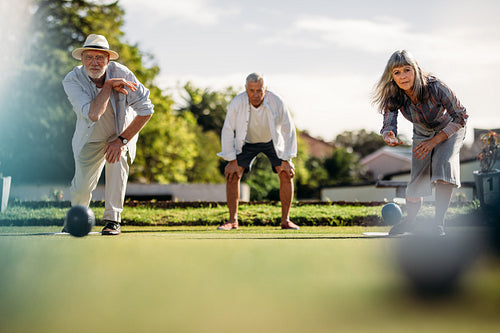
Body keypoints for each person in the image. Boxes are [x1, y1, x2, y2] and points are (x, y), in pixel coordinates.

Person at [62, 34, 154, 235]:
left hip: (119, 135)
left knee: (117, 161)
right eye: (89, 57)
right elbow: (94, 114)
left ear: (108, 60)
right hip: (90, 137)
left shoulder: (125, 74)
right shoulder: (72, 80)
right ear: (82, 59)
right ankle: (75, 218)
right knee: (81, 188)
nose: (94, 62)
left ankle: (113, 220)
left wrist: (121, 140)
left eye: (100, 57)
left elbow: (147, 110)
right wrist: (108, 85)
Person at [372, 50, 468, 237]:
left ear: (415, 70)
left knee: (443, 167)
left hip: (450, 128)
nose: (403, 76)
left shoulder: (436, 87)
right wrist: (389, 135)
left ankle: (438, 224)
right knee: (417, 177)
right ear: (391, 76)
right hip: (422, 131)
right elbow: (388, 124)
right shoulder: (393, 94)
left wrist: (436, 140)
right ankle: (410, 222)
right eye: (397, 72)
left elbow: (461, 116)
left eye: (407, 70)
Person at [217, 73, 299, 230]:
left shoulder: (277, 101)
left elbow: (289, 129)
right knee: (233, 174)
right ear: (246, 89)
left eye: (259, 91)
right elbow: (228, 130)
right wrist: (231, 160)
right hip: (246, 142)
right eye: (251, 90)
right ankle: (232, 220)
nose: (255, 95)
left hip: (272, 142)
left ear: (265, 90)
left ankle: (285, 220)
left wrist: (287, 159)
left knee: (285, 173)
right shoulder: (237, 102)